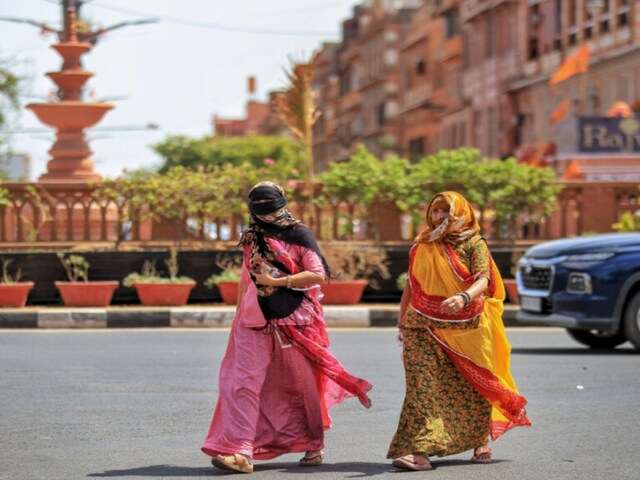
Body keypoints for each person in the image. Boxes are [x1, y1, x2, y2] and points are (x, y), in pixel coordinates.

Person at [202, 181, 372, 474]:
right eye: (259, 207)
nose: (266, 213)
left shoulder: (298, 233)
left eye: (270, 205)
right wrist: (238, 316)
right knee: (241, 383)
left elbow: (316, 274)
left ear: (282, 202)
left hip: (295, 318)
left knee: (300, 384)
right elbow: (246, 279)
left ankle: (312, 442)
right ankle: (241, 450)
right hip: (254, 319)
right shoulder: (252, 236)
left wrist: (278, 282)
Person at [388, 191, 530, 471]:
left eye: (446, 211)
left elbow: (484, 279)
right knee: (421, 389)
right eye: (436, 211)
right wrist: (402, 319)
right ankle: (420, 453)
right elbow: (411, 284)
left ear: (462, 214)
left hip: (466, 326)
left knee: (472, 384)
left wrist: (464, 297)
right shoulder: (421, 244)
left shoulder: (474, 243)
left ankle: (479, 440)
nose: (440, 217)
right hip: (421, 324)